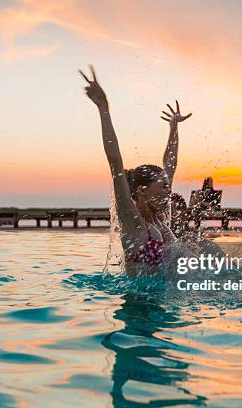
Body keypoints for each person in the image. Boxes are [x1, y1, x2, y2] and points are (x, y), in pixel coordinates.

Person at [80, 66, 191, 274]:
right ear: (142, 190)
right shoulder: (131, 220)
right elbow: (115, 161)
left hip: (163, 302)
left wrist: (173, 128)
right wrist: (103, 109)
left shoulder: (159, 218)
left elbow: (171, 163)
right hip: (139, 305)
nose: (169, 190)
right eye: (163, 185)